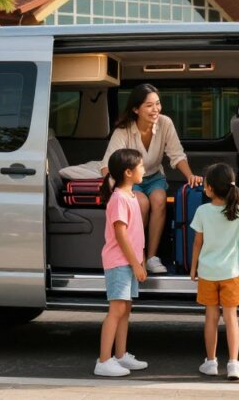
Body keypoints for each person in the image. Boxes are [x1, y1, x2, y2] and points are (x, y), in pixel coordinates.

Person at [102, 83, 202, 274]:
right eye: (149, 105)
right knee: (141, 203)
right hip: (131, 180)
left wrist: (190, 176)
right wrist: (116, 191)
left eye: (158, 104)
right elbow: (108, 165)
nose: (155, 109)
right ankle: (137, 254)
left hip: (155, 175)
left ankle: (152, 257)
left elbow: (177, 155)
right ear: (135, 109)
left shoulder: (165, 123)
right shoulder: (123, 130)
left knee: (159, 199)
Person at [189, 163, 239, 381]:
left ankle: (210, 362)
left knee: (211, 318)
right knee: (231, 318)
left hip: (208, 272)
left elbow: (197, 243)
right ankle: (233, 364)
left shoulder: (202, 211)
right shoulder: (237, 210)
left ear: (208, 188)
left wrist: (193, 268)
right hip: (231, 272)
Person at [94, 148, 150, 377]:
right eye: (141, 166)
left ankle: (120, 355)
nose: (144, 169)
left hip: (129, 261)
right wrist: (135, 264)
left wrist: (141, 260)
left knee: (126, 309)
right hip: (119, 262)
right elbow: (121, 235)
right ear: (128, 172)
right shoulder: (119, 198)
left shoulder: (131, 196)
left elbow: (137, 235)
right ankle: (104, 360)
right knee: (116, 310)